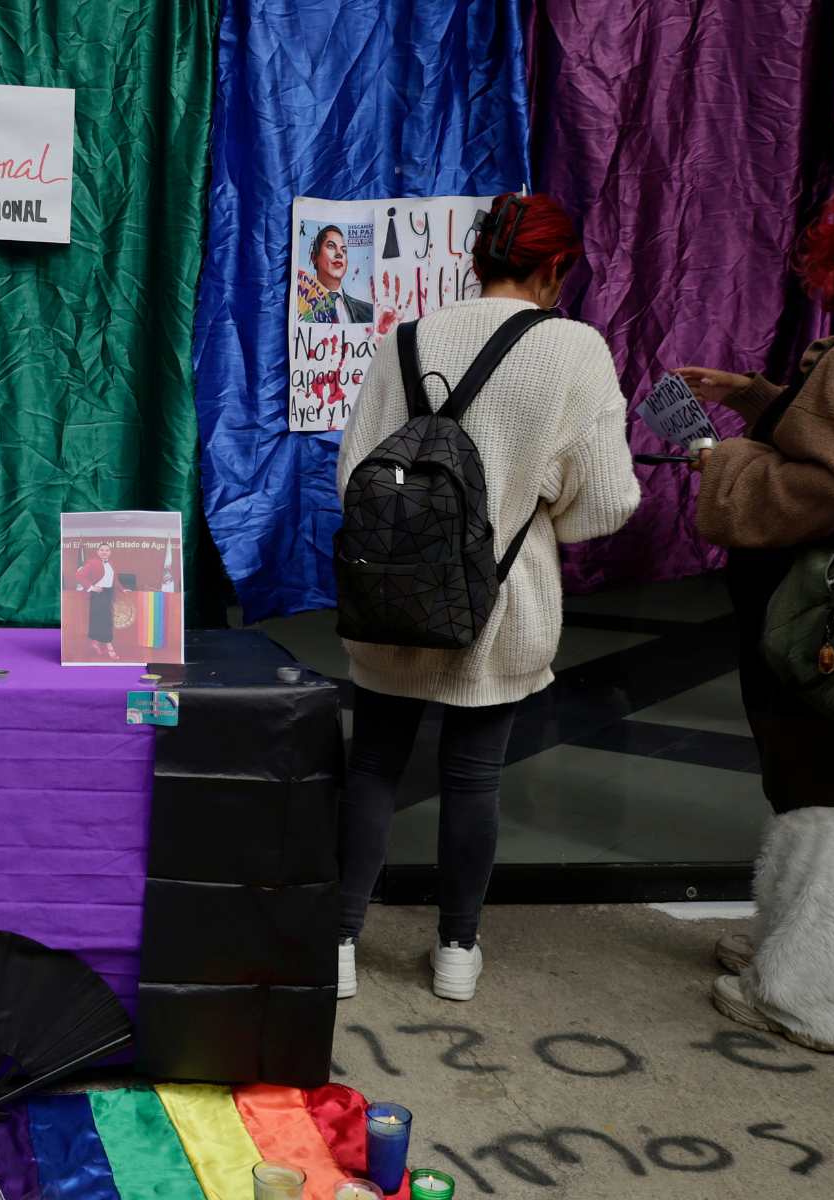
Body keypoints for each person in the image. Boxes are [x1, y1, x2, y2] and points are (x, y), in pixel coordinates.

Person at [333, 193, 639, 1002]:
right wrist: (531, 503)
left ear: (475, 259)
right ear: (554, 268)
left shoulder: (403, 340)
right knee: (474, 777)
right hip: (498, 611)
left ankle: (337, 944)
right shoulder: (574, 349)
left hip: (390, 598)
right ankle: (455, 952)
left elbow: (351, 477)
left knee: (371, 767)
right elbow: (603, 507)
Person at [679, 172, 834, 1053]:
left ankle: (806, 997)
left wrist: (726, 465)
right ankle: (788, 948)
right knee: (817, 773)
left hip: (815, 613)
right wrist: (759, 399)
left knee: (807, 786)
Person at [299, 225, 375, 324]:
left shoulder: (368, 311)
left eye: (344, 250)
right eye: (331, 246)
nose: (339, 253)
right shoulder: (299, 308)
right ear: (314, 257)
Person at [73, 542, 121, 659]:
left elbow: (114, 580)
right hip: (98, 594)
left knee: (99, 620)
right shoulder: (93, 562)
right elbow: (79, 575)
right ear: (98, 552)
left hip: (108, 594)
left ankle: (95, 643)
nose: (104, 552)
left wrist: (123, 589)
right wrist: (91, 587)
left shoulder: (111, 564)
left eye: (107, 550)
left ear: (110, 552)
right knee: (105, 621)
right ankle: (110, 647)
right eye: (102, 550)